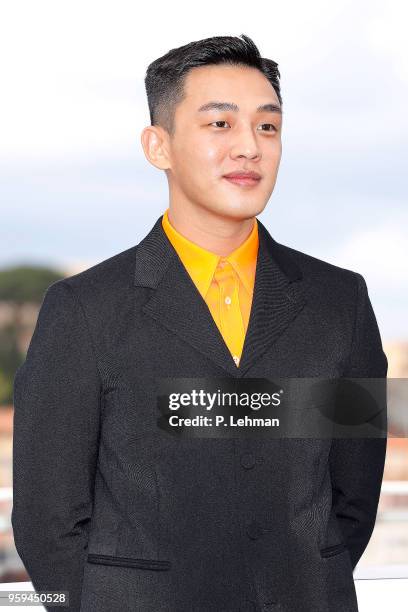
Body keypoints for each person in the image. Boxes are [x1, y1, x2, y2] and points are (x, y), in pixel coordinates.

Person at [12, 34, 387, 612]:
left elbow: (354, 495)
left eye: (267, 127)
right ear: (158, 145)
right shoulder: (84, 309)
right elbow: (45, 517)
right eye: (220, 125)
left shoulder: (343, 301)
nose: (249, 148)